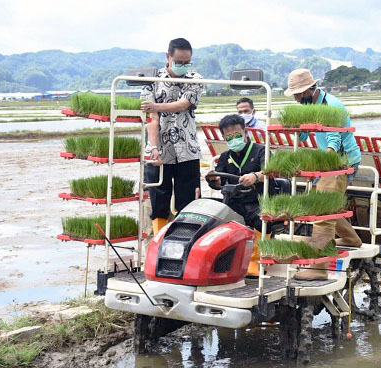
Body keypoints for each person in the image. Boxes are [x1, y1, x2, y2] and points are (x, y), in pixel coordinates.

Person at [284, 69, 362, 281]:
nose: (297, 99)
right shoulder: (309, 105)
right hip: (327, 159)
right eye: (295, 95)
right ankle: (352, 239)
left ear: (311, 88)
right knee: (327, 205)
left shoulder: (332, 106)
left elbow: (334, 141)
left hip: (340, 160)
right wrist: (297, 127)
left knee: (323, 211)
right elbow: (303, 137)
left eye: (300, 94)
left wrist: (323, 165)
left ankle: (319, 268)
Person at [140, 38, 204, 235]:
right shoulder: (152, 80)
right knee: (158, 197)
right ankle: (158, 239)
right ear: (168, 57)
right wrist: (154, 148)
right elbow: (152, 118)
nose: (183, 66)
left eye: (187, 62)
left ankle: (185, 240)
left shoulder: (195, 78)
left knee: (189, 201)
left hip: (187, 150)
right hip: (159, 149)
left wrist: (156, 106)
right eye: (179, 61)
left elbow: (183, 104)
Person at [205, 114, 271, 276]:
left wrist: (255, 176)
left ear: (246, 132)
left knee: (259, 219)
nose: (234, 140)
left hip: (259, 200)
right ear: (224, 138)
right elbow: (221, 182)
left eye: (237, 135)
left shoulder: (261, 150)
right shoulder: (225, 157)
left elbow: (270, 171)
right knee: (214, 218)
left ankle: (256, 260)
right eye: (229, 138)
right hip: (234, 202)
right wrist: (214, 180)